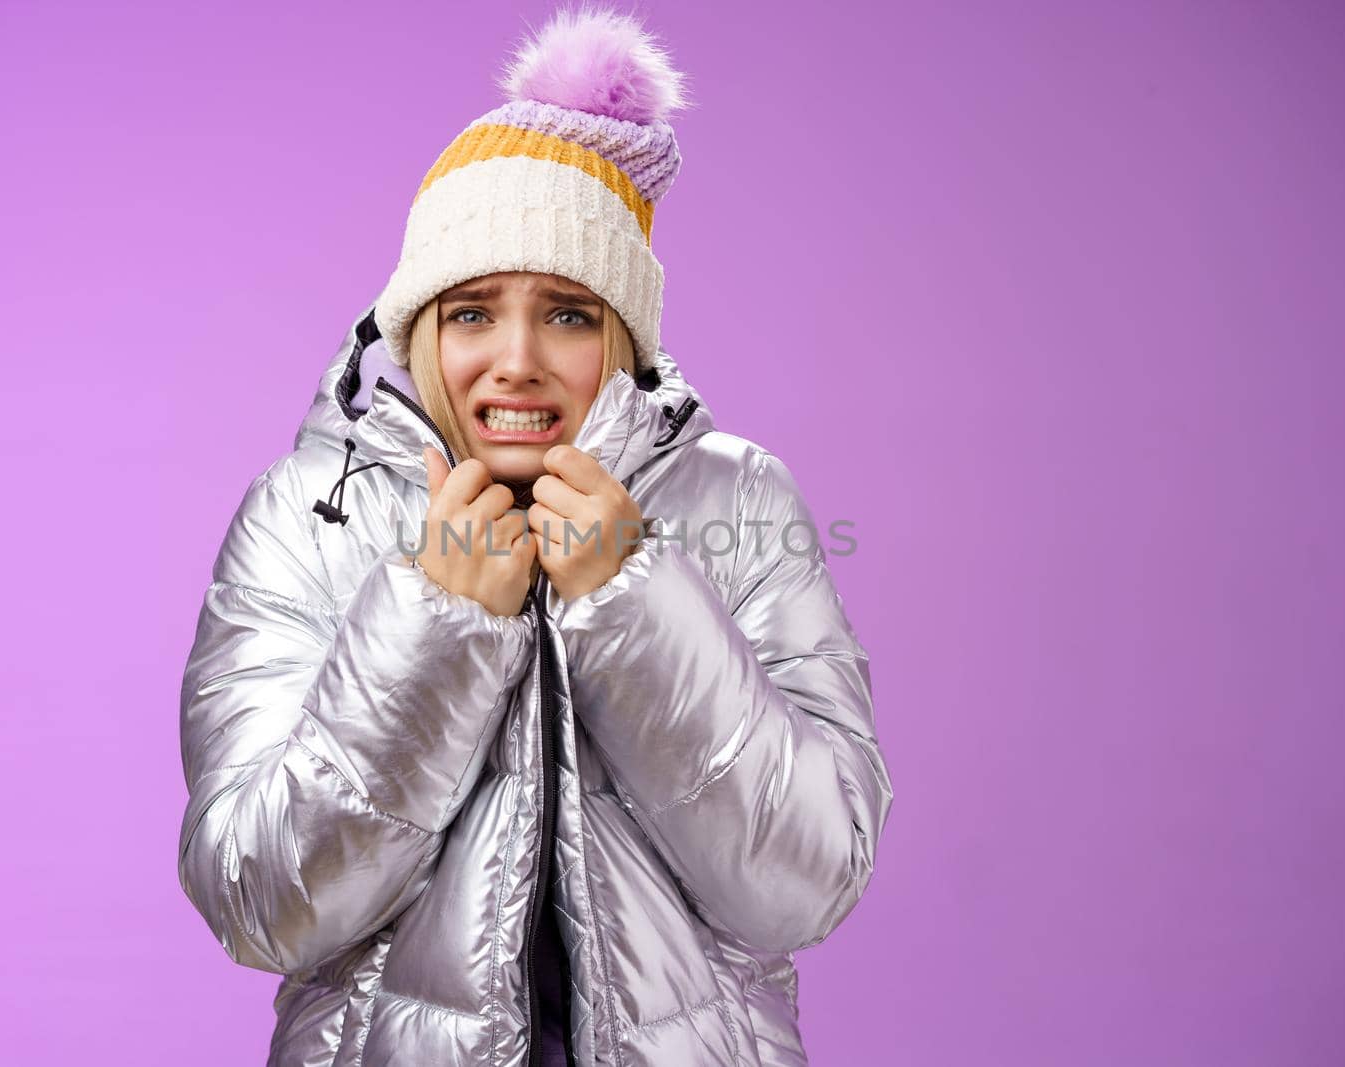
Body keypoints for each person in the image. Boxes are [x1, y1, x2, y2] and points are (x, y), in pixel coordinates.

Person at [176, 8, 893, 1065]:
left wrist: (633, 597)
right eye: (470, 312)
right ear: (418, 332)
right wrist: (437, 624)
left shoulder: (739, 500)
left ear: (624, 337)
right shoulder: (307, 510)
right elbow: (262, 903)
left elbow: (806, 883)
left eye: (566, 312)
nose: (515, 359)